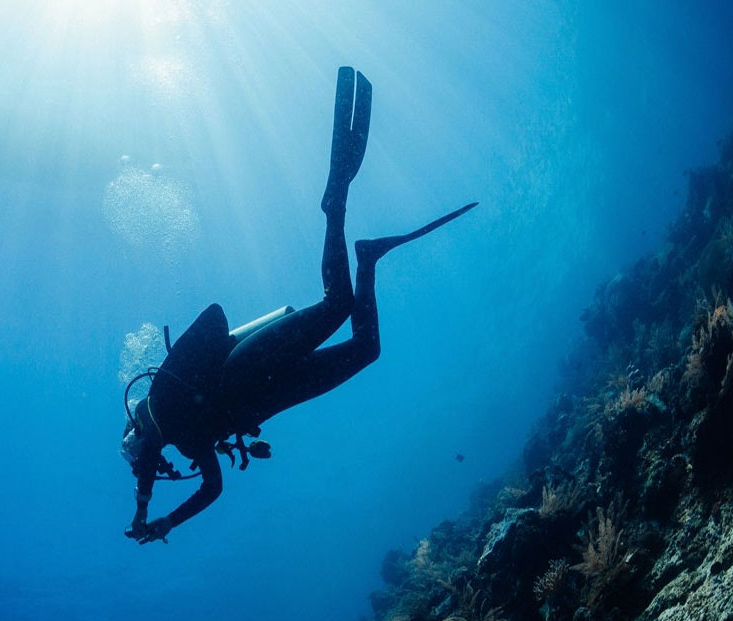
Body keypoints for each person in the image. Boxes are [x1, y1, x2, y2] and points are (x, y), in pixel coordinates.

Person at [121, 67, 476, 544]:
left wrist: (152, 508)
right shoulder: (189, 441)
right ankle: (366, 257)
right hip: (276, 395)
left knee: (336, 305)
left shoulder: (166, 398)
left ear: (142, 436)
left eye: (146, 461)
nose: (155, 468)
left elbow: (212, 323)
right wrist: (156, 516)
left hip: (246, 367)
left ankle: (335, 205)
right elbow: (211, 488)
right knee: (366, 349)